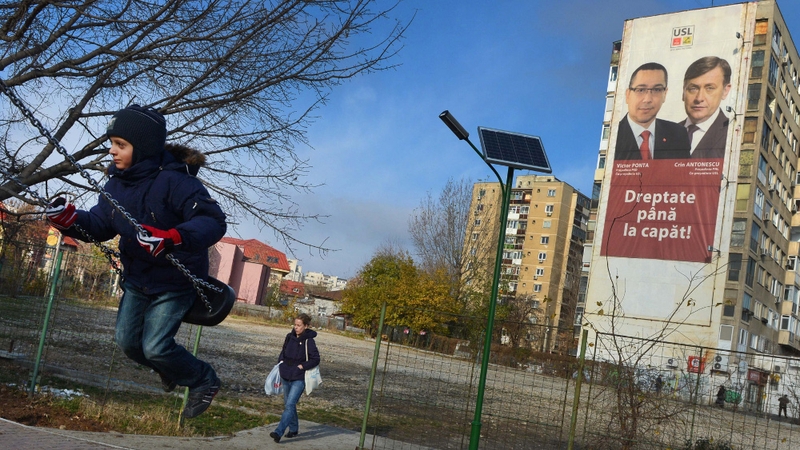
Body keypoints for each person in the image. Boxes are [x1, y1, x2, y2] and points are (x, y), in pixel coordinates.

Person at [45, 105, 227, 419]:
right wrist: (70, 220)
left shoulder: (177, 182)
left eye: (121, 145)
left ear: (142, 148)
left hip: (175, 281)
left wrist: (171, 237)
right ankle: (172, 368)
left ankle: (202, 379)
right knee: (127, 343)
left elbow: (211, 221)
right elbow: (101, 224)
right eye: (112, 142)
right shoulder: (116, 185)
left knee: (156, 346)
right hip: (137, 280)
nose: (112, 151)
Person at [615, 62, 691, 161]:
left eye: (656, 90)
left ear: (664, 94)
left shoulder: (678, 134)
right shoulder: (614, 135)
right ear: (628, 95)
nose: (647, 99)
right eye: (641, 90)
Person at [270, 313, 321, 443]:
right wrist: (281, 362)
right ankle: (293, 429)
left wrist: (302, 366)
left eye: (299, 325)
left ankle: (278, 432)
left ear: (306, 326)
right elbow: (283, 351)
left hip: (299, 378)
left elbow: (316, 359)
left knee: (290, 404)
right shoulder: (289, 337)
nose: (296, 327)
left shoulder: (309, 341)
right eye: (295, 324)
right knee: (289, 405)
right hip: (285, 374)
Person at [682, 56, 732, 159]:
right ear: (683, 91)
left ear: (725, 91)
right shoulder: (664, 135)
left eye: (709, 88)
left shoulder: (733, 135)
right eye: (693, 88)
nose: (699, 98)